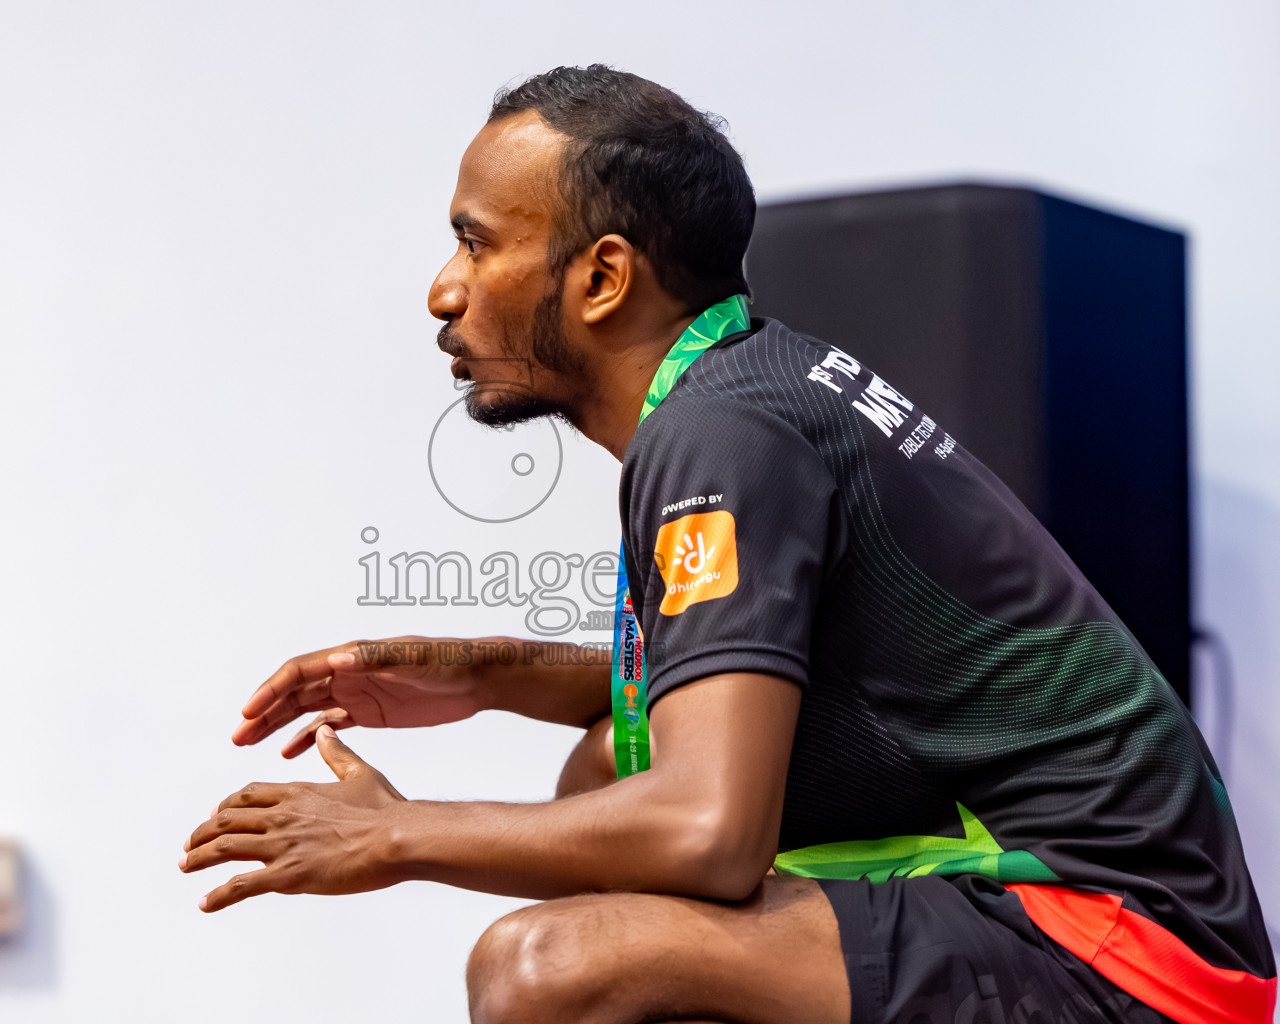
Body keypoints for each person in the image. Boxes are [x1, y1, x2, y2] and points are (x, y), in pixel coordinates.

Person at [179, 66, 1275, 1024]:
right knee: (614, 757)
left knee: (546, 968)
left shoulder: (719, 432)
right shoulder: (752, 387)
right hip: (1113, 908)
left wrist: (397, 833)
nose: (443, 289)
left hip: (1118, 944)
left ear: (603, 279)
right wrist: (486, 674)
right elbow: (761, 677)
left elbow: (709, 830)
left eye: (477, 240)